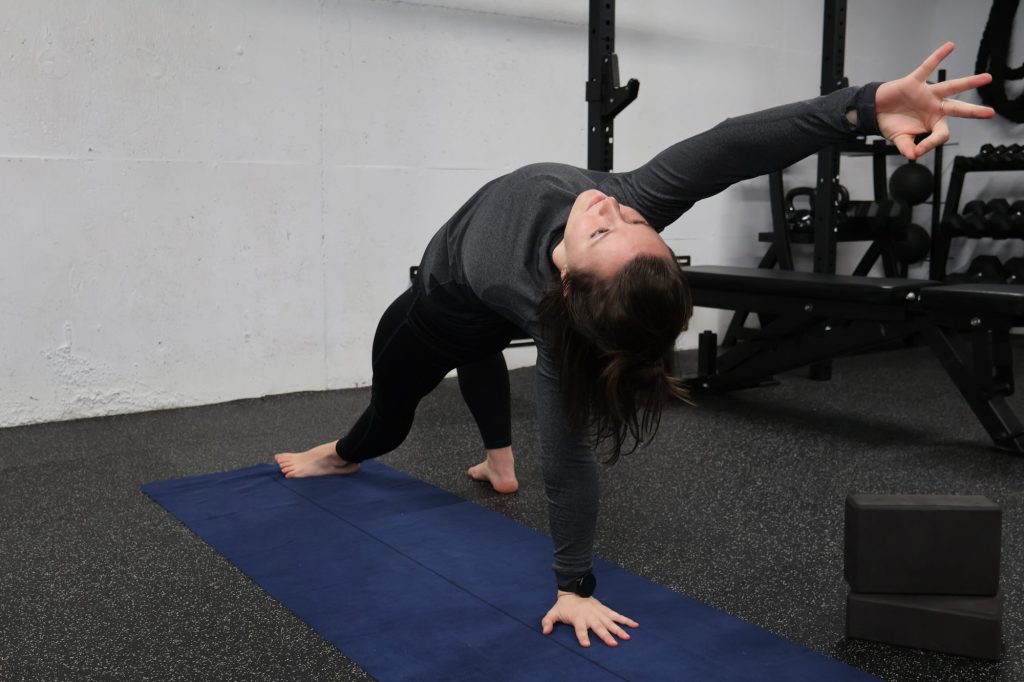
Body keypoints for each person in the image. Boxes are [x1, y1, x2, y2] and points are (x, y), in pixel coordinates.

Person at [275, 42, 994, 648]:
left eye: (601, 230)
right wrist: (864, 107)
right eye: (631, 221)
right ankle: (498, 463)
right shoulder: (622, 214)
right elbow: (731, 146)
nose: (607, 205)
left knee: (391, 412)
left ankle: (341, 455)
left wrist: (575, 586)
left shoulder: (517, 286)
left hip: (439, 312)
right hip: (489, 314)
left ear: (566, 282)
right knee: (483, 348)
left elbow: (569, 456)